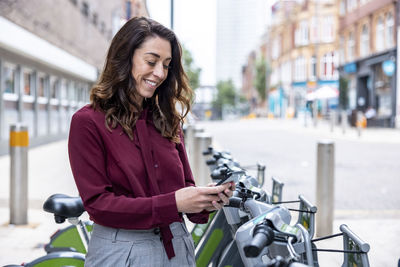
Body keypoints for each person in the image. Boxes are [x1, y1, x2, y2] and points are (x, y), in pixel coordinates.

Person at [68, 17, 235, 267]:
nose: (159, 73)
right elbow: (99, 205)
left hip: (176, 248)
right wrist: (175, 202)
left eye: (167, 65)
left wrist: (205, 200)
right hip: (121, 252)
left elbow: (184, 186)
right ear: (125, 57)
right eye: (151, 61)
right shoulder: (88, 122)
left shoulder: (167, 121)